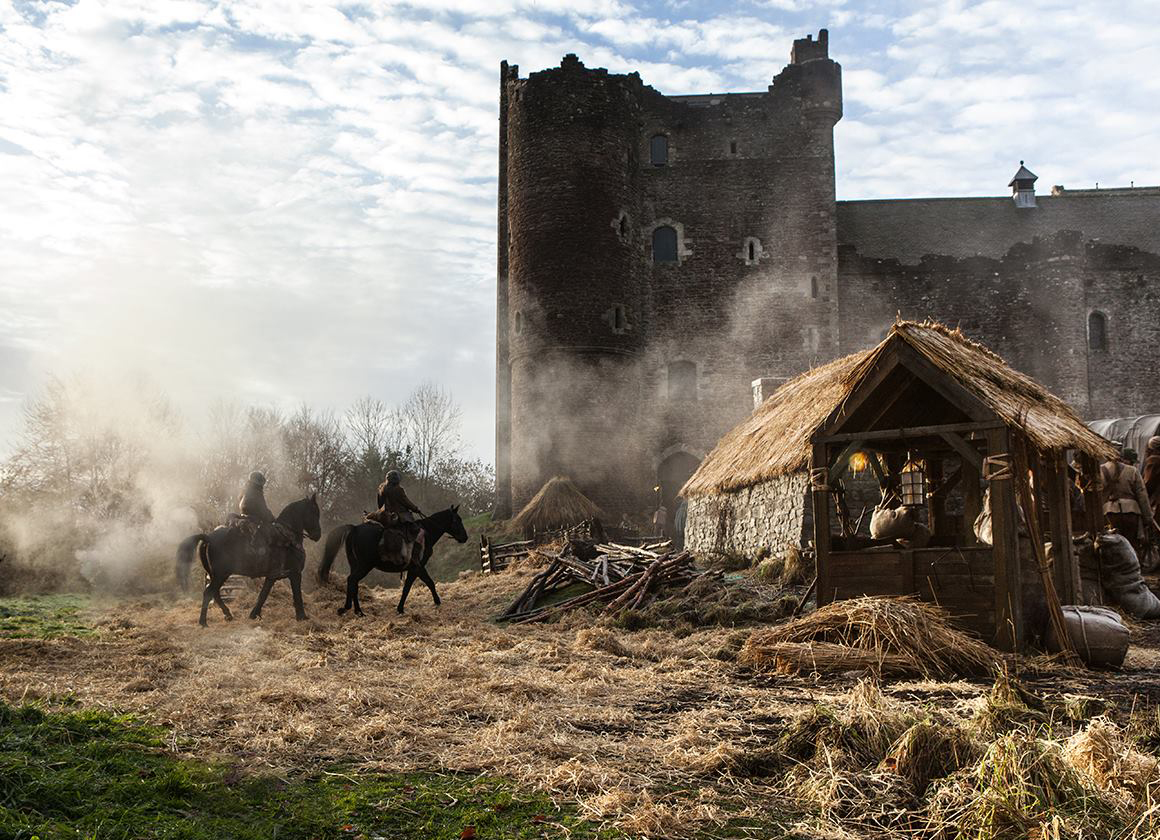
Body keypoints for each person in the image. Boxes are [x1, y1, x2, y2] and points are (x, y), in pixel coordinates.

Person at [1099, 450, 1157, 558]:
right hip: (1131, 513)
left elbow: (1098, 495)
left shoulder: (1100, 470)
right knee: (1132, 544)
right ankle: (1134, 569)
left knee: (1114, 544)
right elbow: (1142, 496)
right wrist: (1148, 518)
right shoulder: (1132, 471)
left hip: (1110, 513)